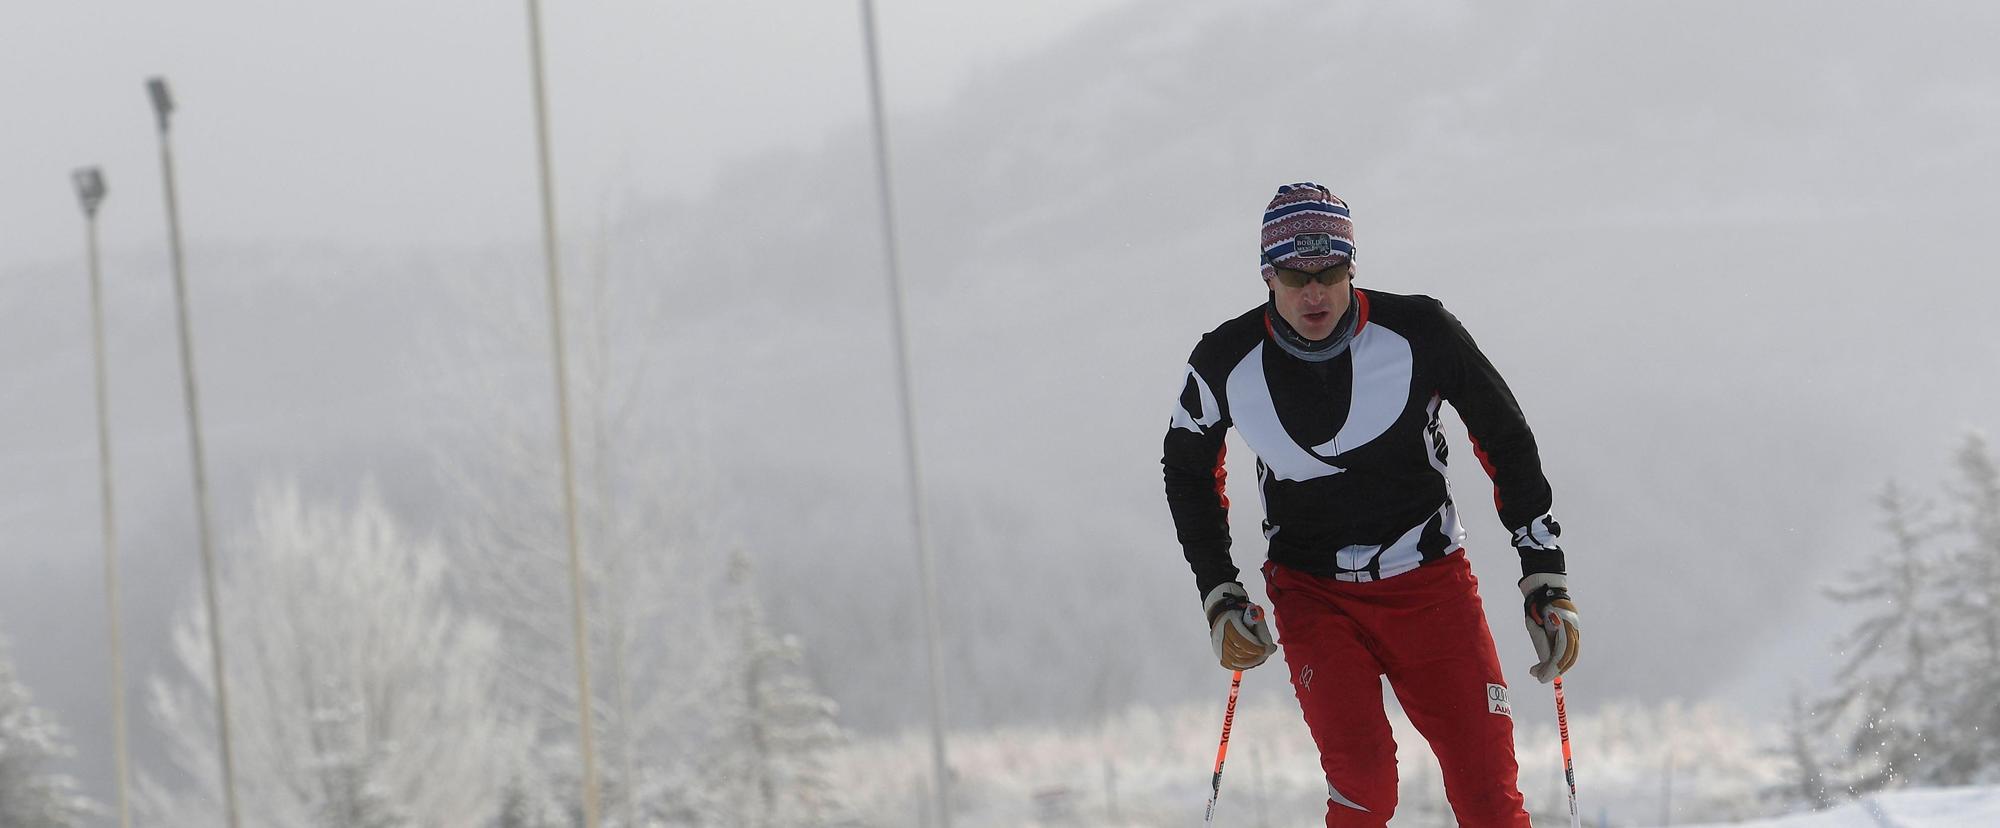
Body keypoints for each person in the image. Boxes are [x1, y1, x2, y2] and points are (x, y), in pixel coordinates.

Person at [1162, 182, 1581, 826]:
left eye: (1329, 273)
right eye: (1295, 275)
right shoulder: (1225, 360)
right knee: (1364, 787)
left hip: (1430, 584)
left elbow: (1504, 436)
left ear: (1351, 267)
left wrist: (1543, 573)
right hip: (1313, 592)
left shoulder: (1420, 331)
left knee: (1487, 792)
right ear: (1267, 275)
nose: (1314, 294)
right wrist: (1219, 592)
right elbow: (1187, 470)